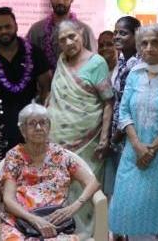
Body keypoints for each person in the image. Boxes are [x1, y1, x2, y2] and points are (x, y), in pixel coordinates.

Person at [109, 23, 158, 240]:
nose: (149, 47)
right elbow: (123, 112)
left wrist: (151, 149)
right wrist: (137, 146)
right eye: (144, 43)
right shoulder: (135, 73)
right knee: (134, 217)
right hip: (134, 156)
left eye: (155, 42)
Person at [47, 19, 113, 235]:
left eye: (72, 36)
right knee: (60, 191)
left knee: (86, 192)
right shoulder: (61, 61)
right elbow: (55, 95)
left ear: (82, 34)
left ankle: (88, 237)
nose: (68, 42)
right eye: (62, 40)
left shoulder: (97, 63)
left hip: (89, 145)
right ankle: (64, 235)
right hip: (57, 142)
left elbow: (108, 102)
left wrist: (104, 139)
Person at [0, 103, 100, 241]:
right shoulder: (14, 156)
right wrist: (34, 219)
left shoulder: (60, 155)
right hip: (21, 220)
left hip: (56, 223)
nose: (39, 128)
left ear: (49, 127)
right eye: (32, 124)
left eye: (43, 123)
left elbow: (93, 182)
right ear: (23, 130)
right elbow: (8, 199)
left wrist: (75, 206)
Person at [0, 7, 51, 153]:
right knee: (2, 171)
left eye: (7, 26)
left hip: (31, 125)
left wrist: (44, 122)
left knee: (32, 170)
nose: (3, 31)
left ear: (16, 26)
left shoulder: (35, 53)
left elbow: (46, 89)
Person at [104, 16, 141, 200]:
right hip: (117, 133)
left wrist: (116, 137)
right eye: (116, 32)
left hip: (128, 134)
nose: (117, 36)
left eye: (123, 33)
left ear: (137, 35)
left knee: (130, 189)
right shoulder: (122, 61)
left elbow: (129, 104)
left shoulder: (137, 65)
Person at [27, 0, 96, 69]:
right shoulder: (36, 30)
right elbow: (28, 61)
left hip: (76, 82)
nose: (60, 1)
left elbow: (93, 65)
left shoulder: (85, 31)